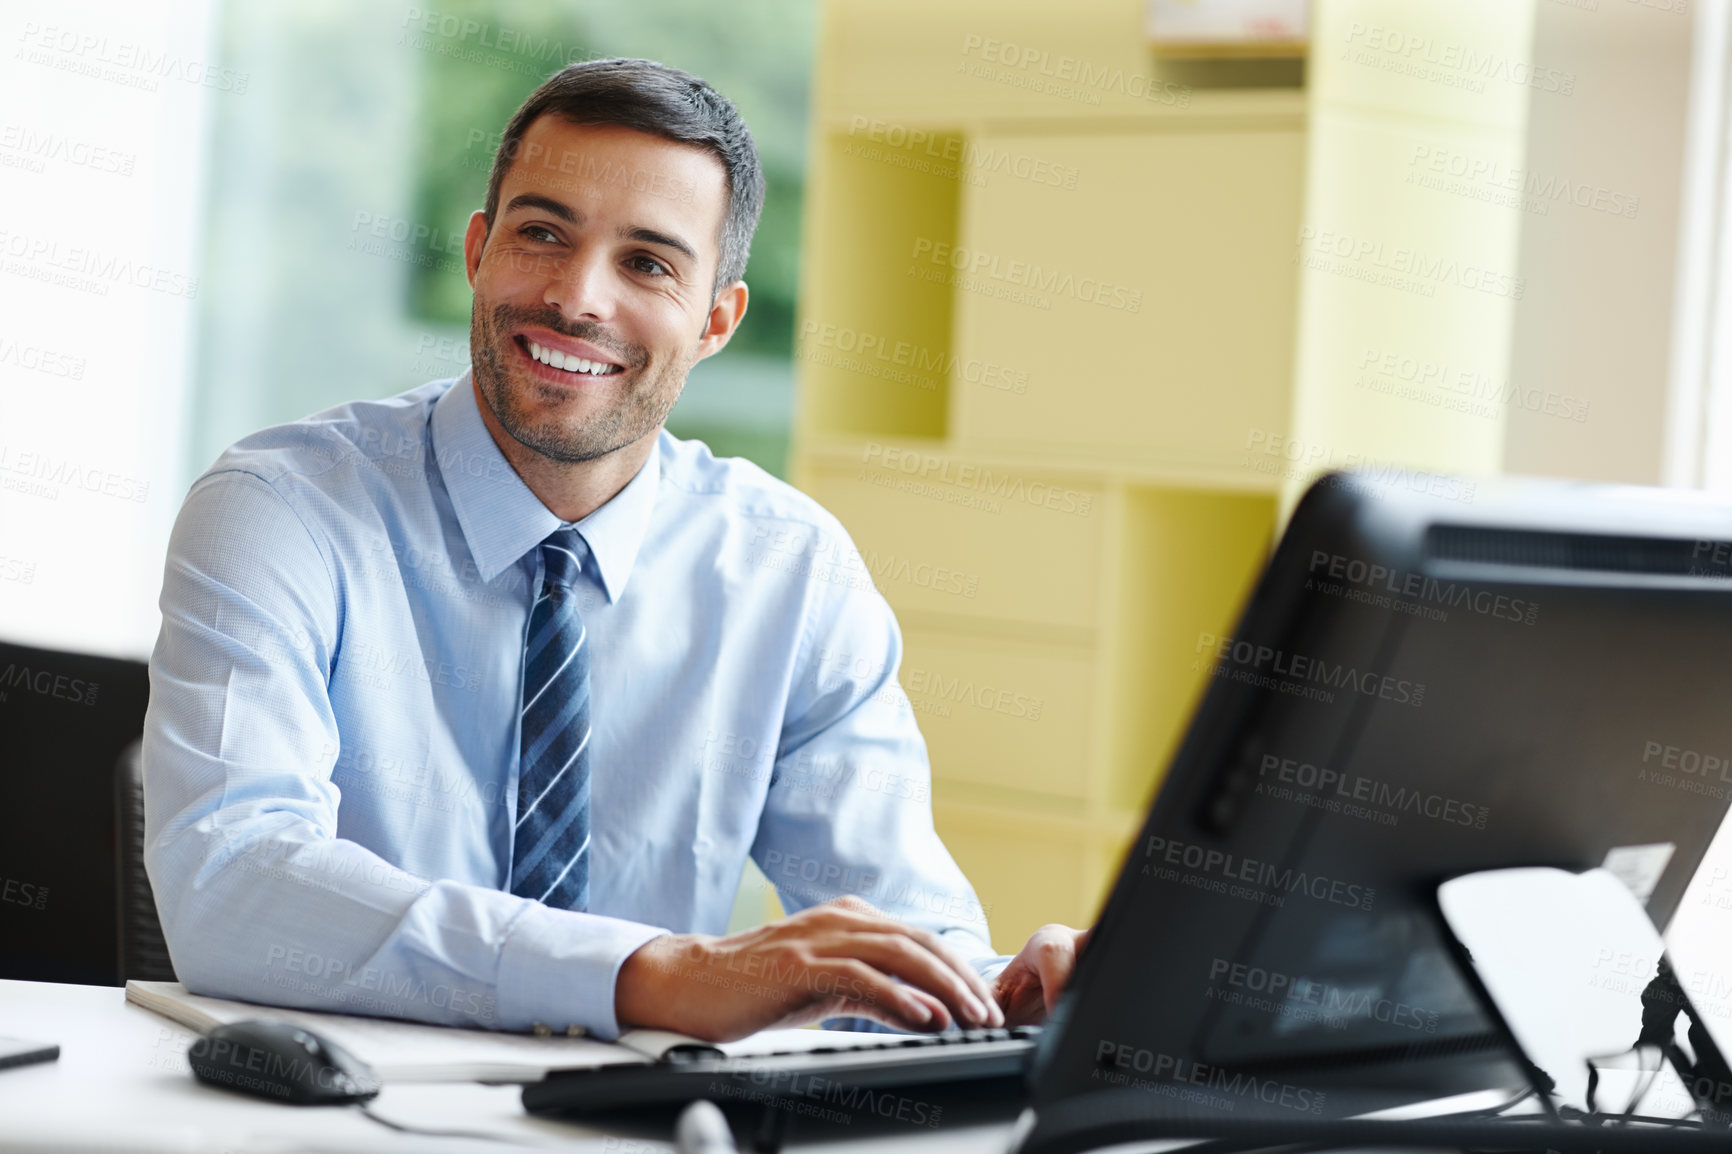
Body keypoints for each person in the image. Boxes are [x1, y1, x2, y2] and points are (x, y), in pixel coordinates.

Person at [143, 57, 1087, 1043]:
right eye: (542, 232)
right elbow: (230, 879)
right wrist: (645, 973)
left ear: (716, 319)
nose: (577, 296)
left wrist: (1013, 993)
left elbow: (887, 920)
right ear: (477, 249)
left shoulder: (789, 572)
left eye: (647, 263)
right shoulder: (281, 510)